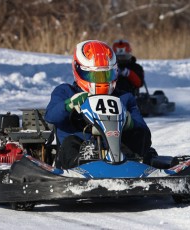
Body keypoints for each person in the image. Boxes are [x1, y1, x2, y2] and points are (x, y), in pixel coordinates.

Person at [44, 40, 155, 169]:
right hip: (77, 155)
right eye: (94, 76)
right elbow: (50, 116)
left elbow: (144, 133)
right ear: (79, 70)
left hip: (118, 151)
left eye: (106, 75)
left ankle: (132, 166)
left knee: (139, 135)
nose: (102, 81)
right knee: (70, 143)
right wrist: (69, 105)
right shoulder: (65, 91)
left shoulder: (124, 97)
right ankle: (79, 171)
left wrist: (130, 123)